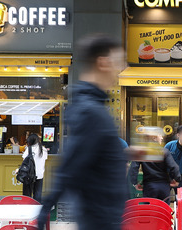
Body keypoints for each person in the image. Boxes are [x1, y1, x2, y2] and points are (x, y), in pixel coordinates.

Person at [36, 34, 127, 230]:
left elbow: (89, 156)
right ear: (103, 62)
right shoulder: (91, 110)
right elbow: (71, 165)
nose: (120, 69)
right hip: (100, 219)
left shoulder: (92, 106)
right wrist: (46, 209)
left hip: (102, 215)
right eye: (118, 62)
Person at [129, 132, 181, 203]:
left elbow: (133, 168)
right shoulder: (164, 152)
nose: (162, 138)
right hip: (164, 187)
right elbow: (174, 167)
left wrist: (135, 183)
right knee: (164, 210)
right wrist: (177, 179)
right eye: (160, 136)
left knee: (150, 210)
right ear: (154, 138)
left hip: (149, 187)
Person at [22, 134, 48, 202]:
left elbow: (24, 160)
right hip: (39, 175)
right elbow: (44, 159)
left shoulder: (29, 149)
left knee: (27, 195)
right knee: (37, 195)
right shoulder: (44, 149)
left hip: (29, 175)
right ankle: (37, 210)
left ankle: (28, 210)